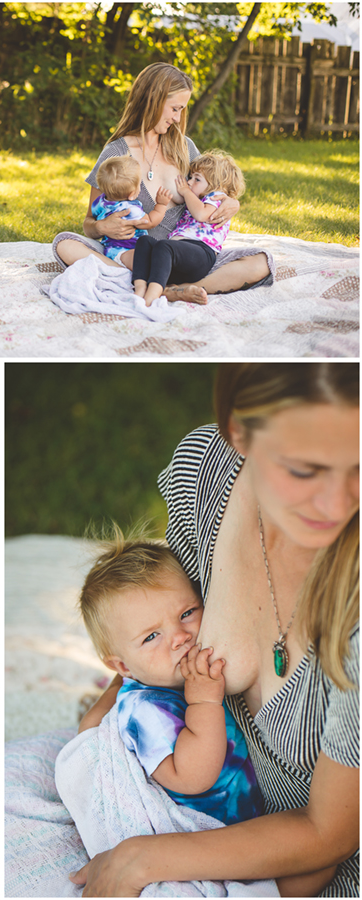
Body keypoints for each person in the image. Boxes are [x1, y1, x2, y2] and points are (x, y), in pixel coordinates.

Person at [72, 363, 358, 897]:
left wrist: (142, 859)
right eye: (304, 469)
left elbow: (333, 835)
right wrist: (99, 723)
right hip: (205, 821)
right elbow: (155, 615)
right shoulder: (204, 474)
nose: (338, 505)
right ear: (240, 431)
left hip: (318, 868)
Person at [77, 536, 263, 827]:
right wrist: (203, 702)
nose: (180, 637)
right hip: (206, 831)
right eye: (151, 636)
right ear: (123, 666)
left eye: (187, 613)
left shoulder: (169, 677)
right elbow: (191, 777)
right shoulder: (147, 710)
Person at [53, 62, 273, 304]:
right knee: (65, 243)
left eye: (182, 110)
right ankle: (157, 285)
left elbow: (214, 185)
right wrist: (103, 227)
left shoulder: (184, 148)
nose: (178, 119)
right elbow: (89, 223)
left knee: (261, 262)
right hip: (135, 255)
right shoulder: (115, 154)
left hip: (185, 255)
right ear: (153, 100)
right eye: (175, 109)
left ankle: (178, 287)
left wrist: (233, 203)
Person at [131, 149, 246, 305]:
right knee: (145, 241)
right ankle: (140, 287)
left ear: (215, 185)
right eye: (190, 177)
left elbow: (201, 214)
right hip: (180, 256)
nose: (189, 182)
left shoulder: (216, 197)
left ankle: (152, 296)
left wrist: (185, 191)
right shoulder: (197, 199)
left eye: (196, 179)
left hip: (201, 253)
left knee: (165, 247)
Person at [90, 156, 173, 267]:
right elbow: (150, 222)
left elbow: (94, 215)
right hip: (127, 252)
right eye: (139, 185)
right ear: (131, 195)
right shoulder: (130, 210)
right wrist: (161, 205)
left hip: (110, 249)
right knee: (147, 261)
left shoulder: (99, 202)